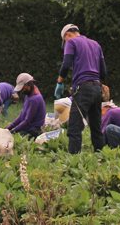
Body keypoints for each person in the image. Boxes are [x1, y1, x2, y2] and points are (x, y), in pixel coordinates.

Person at [55, 23, 106, 154]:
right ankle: (102, 159)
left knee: (74, 129)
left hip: (83, 89)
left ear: (67, 34)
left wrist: (60, 82)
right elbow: (104, 72)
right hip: (97, 89)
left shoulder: (71, 42)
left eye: (64, 39)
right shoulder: (96, 44)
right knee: (96, 128)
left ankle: (74, 161)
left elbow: (66, 64)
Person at [6, 73, 46, 138]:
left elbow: (27, 121)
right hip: (27, 128)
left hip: (33, 131)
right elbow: (23, 114)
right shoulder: (28, 95)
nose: (22, 90)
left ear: (29, 84)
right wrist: (11, 125)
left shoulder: (34, 99)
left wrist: (13, 131)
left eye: (22, 87)